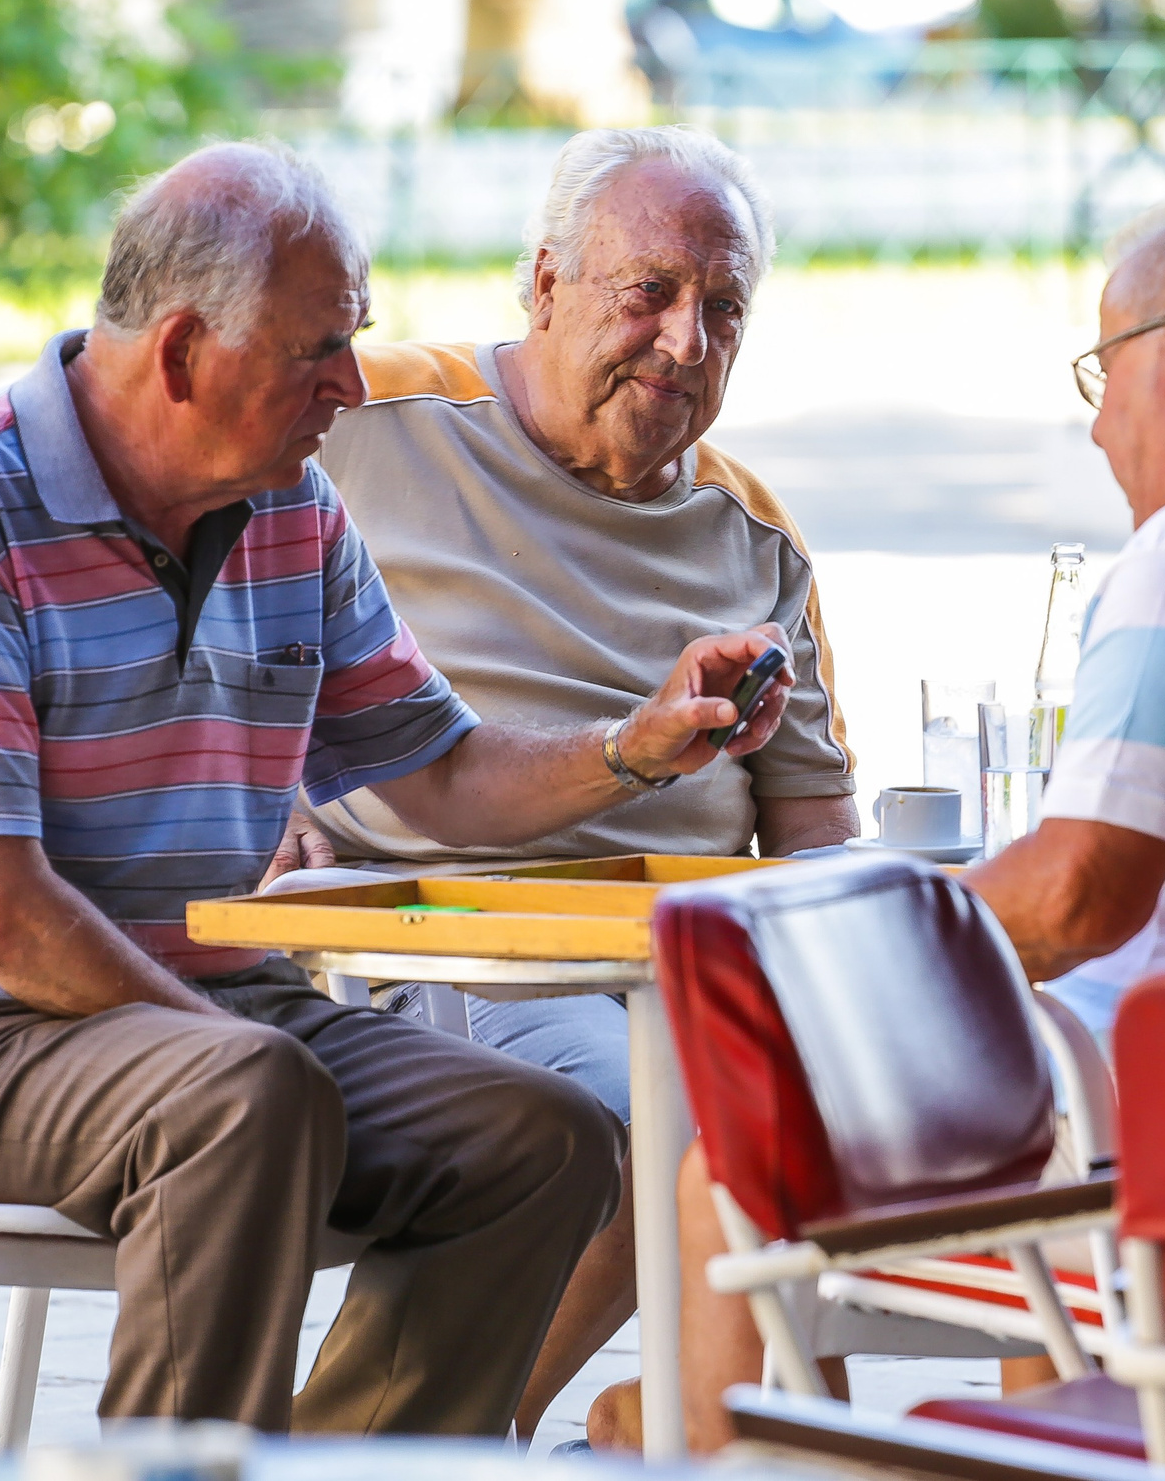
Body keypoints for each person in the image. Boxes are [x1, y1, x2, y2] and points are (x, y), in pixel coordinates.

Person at [0, 140, 799, 1437]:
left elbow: (438, 771)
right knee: (249, 1097)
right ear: (179, 355)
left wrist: (633, 745)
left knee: (550, 1142)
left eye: (356, 337)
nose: (348, 383)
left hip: (210, 1016)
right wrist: (237, 1039)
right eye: (318, 349)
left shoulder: (291, 509)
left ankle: (337, 1465)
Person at [589, 185, 1165, 1451]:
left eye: (1102, 371)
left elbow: (1079, 895)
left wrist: (840, 950)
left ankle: (702, 1450)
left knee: (721, 1185)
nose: (1094, 427)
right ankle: (1051, 1430)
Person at [296, 125, 858, 1439]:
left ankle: (691, 1434)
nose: (685, 339)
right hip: (454, 945)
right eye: (647, 292)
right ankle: (408, 1445)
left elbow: (818, 823)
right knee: (664, 1130)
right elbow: (190, 602)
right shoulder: (365, 424)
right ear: (544, 285)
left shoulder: (752, 527)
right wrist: (262, 804)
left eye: (724, 309)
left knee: (967, 1116)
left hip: (696, 973)